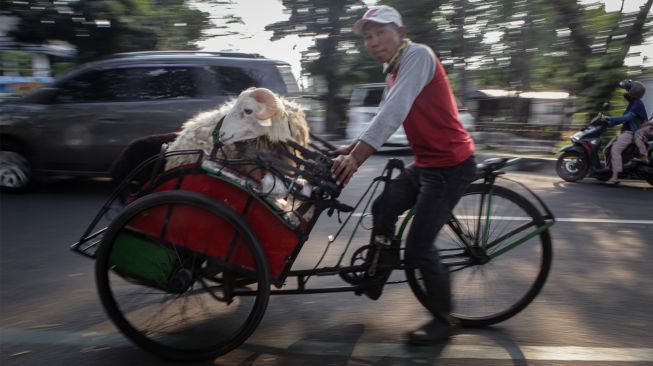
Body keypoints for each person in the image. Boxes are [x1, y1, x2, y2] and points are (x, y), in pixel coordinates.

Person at [330, 5, 476, 345]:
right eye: (368, 36)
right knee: (384, 206)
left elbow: (394, 112)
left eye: (381, 32)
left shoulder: (419, 56)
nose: (374, 40)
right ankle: (377, 272)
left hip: (451, 166)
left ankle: (443, 321)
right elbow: (384, 114)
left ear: (401, 32)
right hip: (426, 164)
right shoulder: (393, 71)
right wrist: (351, 148)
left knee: (419, 249)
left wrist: (358, 158)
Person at [604, 80, 647, 185]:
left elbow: (626, 117)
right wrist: (607, 123)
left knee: (615, 149)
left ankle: (614, 178)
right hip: (626, 132)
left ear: (634, 92)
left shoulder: (637, 104)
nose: (626, 92)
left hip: (632, 133)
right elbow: (623, 119)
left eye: (628, 90)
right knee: (607, 149)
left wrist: (609, 117)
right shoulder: (632, 104)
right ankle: (608, 171)